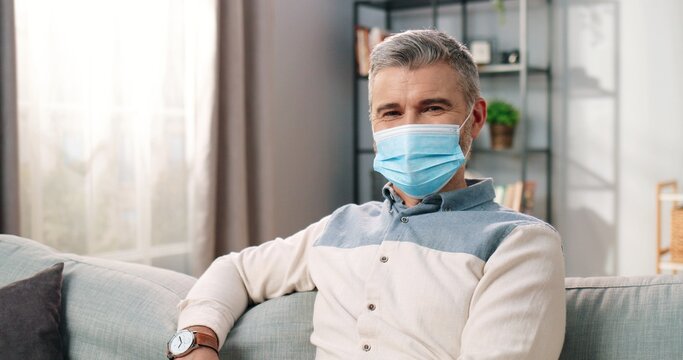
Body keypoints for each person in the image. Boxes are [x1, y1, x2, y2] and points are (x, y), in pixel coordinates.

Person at [166, 29, 565, 360]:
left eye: (432, 108)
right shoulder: (341, 227)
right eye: (391, 112)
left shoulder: (520, 243)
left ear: (474, 118)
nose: (408, 126)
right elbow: (234, 270)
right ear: (373, 123)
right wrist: (197, 342)